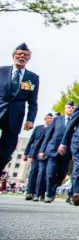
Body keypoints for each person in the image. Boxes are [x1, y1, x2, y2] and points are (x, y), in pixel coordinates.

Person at [0, 43, 39, 172]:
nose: (22, 56)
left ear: (29, 58)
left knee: (6, 152)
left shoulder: (33, 78)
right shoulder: (2, 71)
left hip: (15, 118)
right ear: (14, 56)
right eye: (19, 54)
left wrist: (30, 120)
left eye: (25, 55)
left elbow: (33, 103)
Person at [40, 102, 75, 203]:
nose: (70, 109)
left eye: (72, 108)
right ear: (65, 108)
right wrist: (42, 150)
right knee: (50, 173)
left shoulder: (75, 120)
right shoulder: (57, 120)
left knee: (62, 175)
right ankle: (49, 194)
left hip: (66, 152)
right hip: (53, 150)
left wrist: (73, 153)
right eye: (69, 107)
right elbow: (48, 136)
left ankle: (53, 189)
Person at [23, 113, 53, 200]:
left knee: (42, 173)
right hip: (35, 154)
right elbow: (31, 141)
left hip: (45, 154)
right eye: (48, 118)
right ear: (45, 118)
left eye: (51, 118)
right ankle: (29, 192)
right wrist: (26, 153)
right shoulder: (38, 128)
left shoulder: (51, 129)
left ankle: (39, 193)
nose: (50, 119)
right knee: (33, 172)